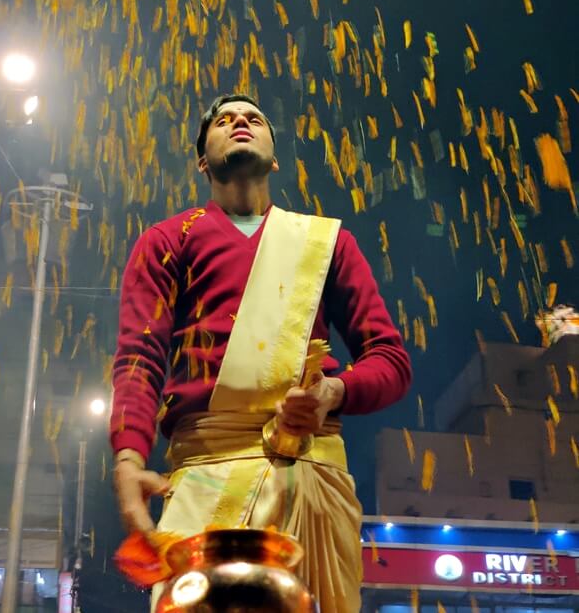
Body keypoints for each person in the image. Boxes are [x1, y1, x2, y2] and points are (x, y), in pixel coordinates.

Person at [110, 93, 412, 613]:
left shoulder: (327, 242)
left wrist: (333, 393)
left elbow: (389, 359)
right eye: (223, 120)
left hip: (312, 476)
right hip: (205, 473)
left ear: (275, 158)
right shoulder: (166, 240)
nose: (239, 122)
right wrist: (128, 458)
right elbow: (139, 358)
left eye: (253, 117)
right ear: (203, 159)